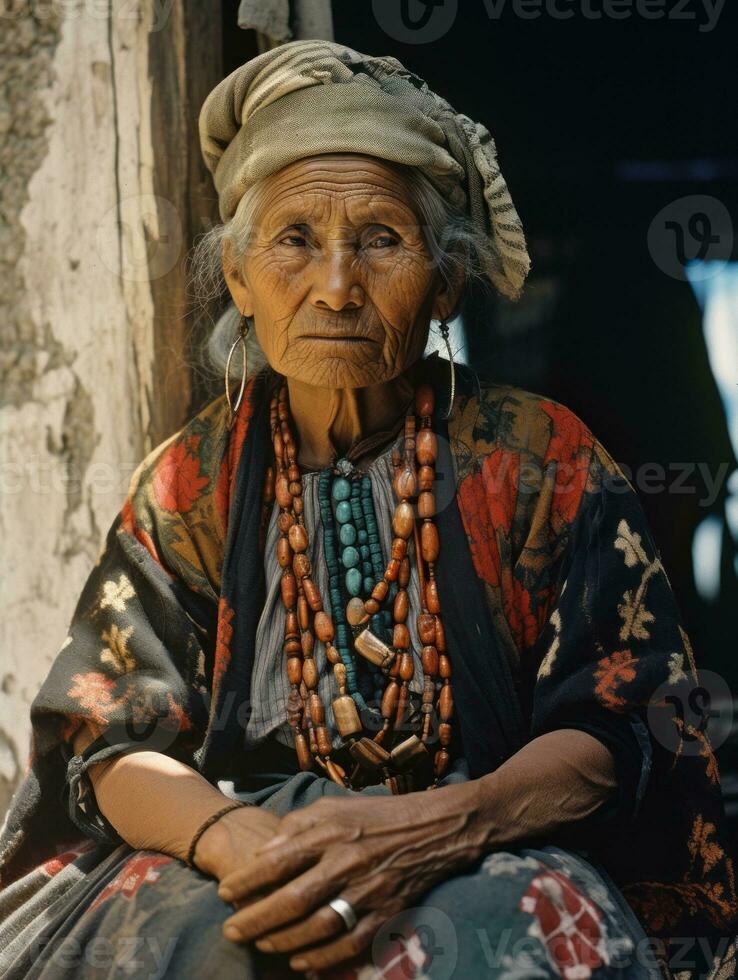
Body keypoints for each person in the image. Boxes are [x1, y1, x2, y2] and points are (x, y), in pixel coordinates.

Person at [0, 40, 734, 980]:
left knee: (510, 928)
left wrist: (432, 830)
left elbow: (621, 725)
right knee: (194, 940)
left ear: (446, 281)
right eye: (295, 240)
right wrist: (234, 843)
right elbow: (106, 735)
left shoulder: (540, 459)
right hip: (249, 852)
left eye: (381, 240)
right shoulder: (194, 479)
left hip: (478, 845)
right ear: (238, 277)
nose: (337, 288)